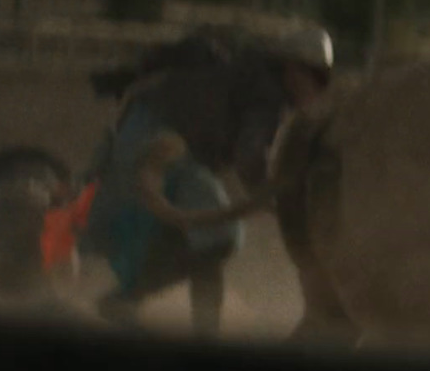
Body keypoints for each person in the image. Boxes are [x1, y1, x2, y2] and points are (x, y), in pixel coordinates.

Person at [75, 26, 335, 338]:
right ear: (293, 68)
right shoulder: (268, 94)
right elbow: (249, 157)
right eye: (316, 76)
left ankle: (200, 330)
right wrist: (277, 198)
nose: (318, 87)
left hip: (147, 136)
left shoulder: (249, 75)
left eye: (324, 79)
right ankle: (126, 301)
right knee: (221, 236)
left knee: (207, 243)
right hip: (158, 145)